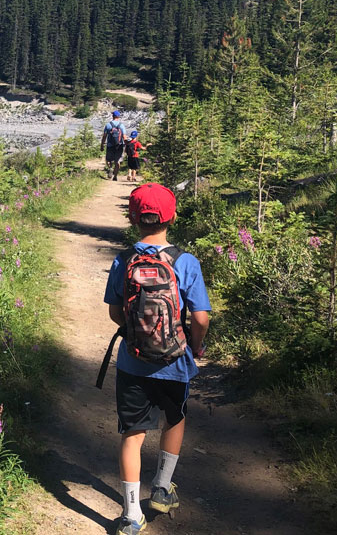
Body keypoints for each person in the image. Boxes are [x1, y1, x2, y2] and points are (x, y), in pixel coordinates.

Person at [103, 183, 211, 535]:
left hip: (133, 363)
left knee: (132, 435)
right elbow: (200, 318)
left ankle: (131, 515)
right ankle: (162, 488)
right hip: (175, 362)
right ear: (173, 216)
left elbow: (116, 312)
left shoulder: (123, 260)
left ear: (133, 219)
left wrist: (137, 332)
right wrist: (194, 346)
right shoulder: (186, 261)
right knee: (174, 419)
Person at [100, 110, 127, 181]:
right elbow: (124, 137)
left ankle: (110, 168)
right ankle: (115, 176)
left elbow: (104, 136)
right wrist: (127, 146)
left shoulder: (108, 125)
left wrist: (102, 145)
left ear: (113, 116)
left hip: (110, 145)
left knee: (108, 160)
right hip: (119, 145)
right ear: (118, 116)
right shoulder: (121, 125)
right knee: (117, 161)